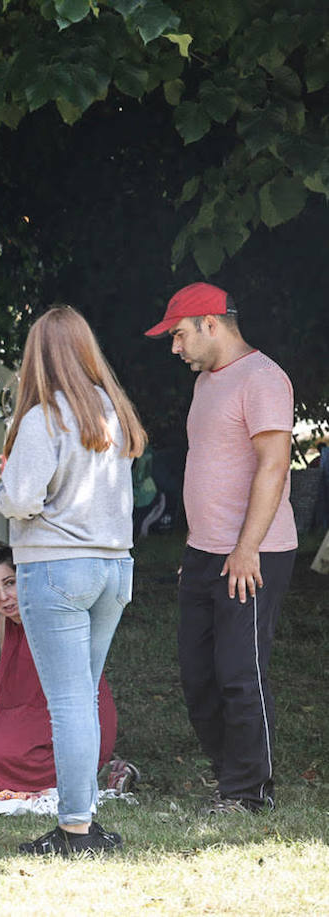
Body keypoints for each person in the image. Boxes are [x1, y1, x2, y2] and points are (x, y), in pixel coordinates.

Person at [0, 305, 146, 857]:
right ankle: (85, 823)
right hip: (113, 568)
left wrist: (3, 479)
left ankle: (76, 829)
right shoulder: (111, 411)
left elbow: (19, 500)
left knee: (69, 705)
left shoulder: (43, 419)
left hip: (57, 568)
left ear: (37, 355)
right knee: (81, 697)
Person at [145, 282, 296, 815]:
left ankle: (249, 793)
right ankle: (229, 776)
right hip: (206, 553)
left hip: (253, 552)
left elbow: (274, 464)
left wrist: (245, 548)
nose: (174, 347)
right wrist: (197, 552)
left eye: (179, 335)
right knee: (198, 674)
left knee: (239, 672)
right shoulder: (208, 381)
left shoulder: (263, 378)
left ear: (211, 323)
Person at [0, 542, 135, 794]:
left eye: (10, 583)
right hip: (32, 710)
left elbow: (74, 688)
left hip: (71, 712)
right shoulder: (6, 620)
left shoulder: (48, 615)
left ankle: (99, 771)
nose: (3, 597)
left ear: (25, 579)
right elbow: (8, 682)